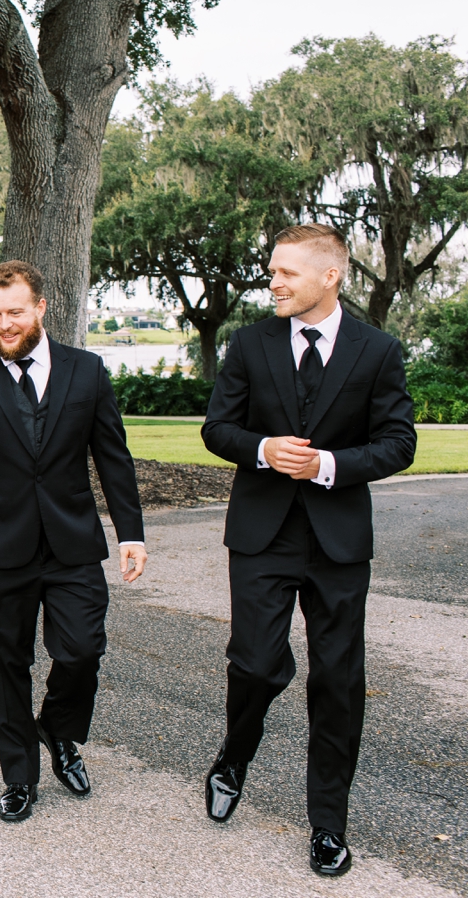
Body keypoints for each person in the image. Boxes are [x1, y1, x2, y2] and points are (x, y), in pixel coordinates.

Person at [200, 224, 415, 876]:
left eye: (287, 273)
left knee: (338, 683)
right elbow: (218, 428)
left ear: (331, 276)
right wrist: (263, 450)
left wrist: (328, 464)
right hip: (262, 534)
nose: (274, 282)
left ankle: (328, 823)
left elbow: (398, 443)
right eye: (272, 271)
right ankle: (235, 755)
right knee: (258, 665)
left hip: (338, 541)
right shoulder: (249, 344)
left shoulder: (378, 351)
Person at [0, 260, 146, 823]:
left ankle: (60, 731)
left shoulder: (87, 372)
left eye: (15, 312)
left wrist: (130, 534)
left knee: (82, 650)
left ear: (42, 308)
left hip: (71, 545)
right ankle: (19, 774)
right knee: (5, 664)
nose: (3, 324)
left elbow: (112, 458)